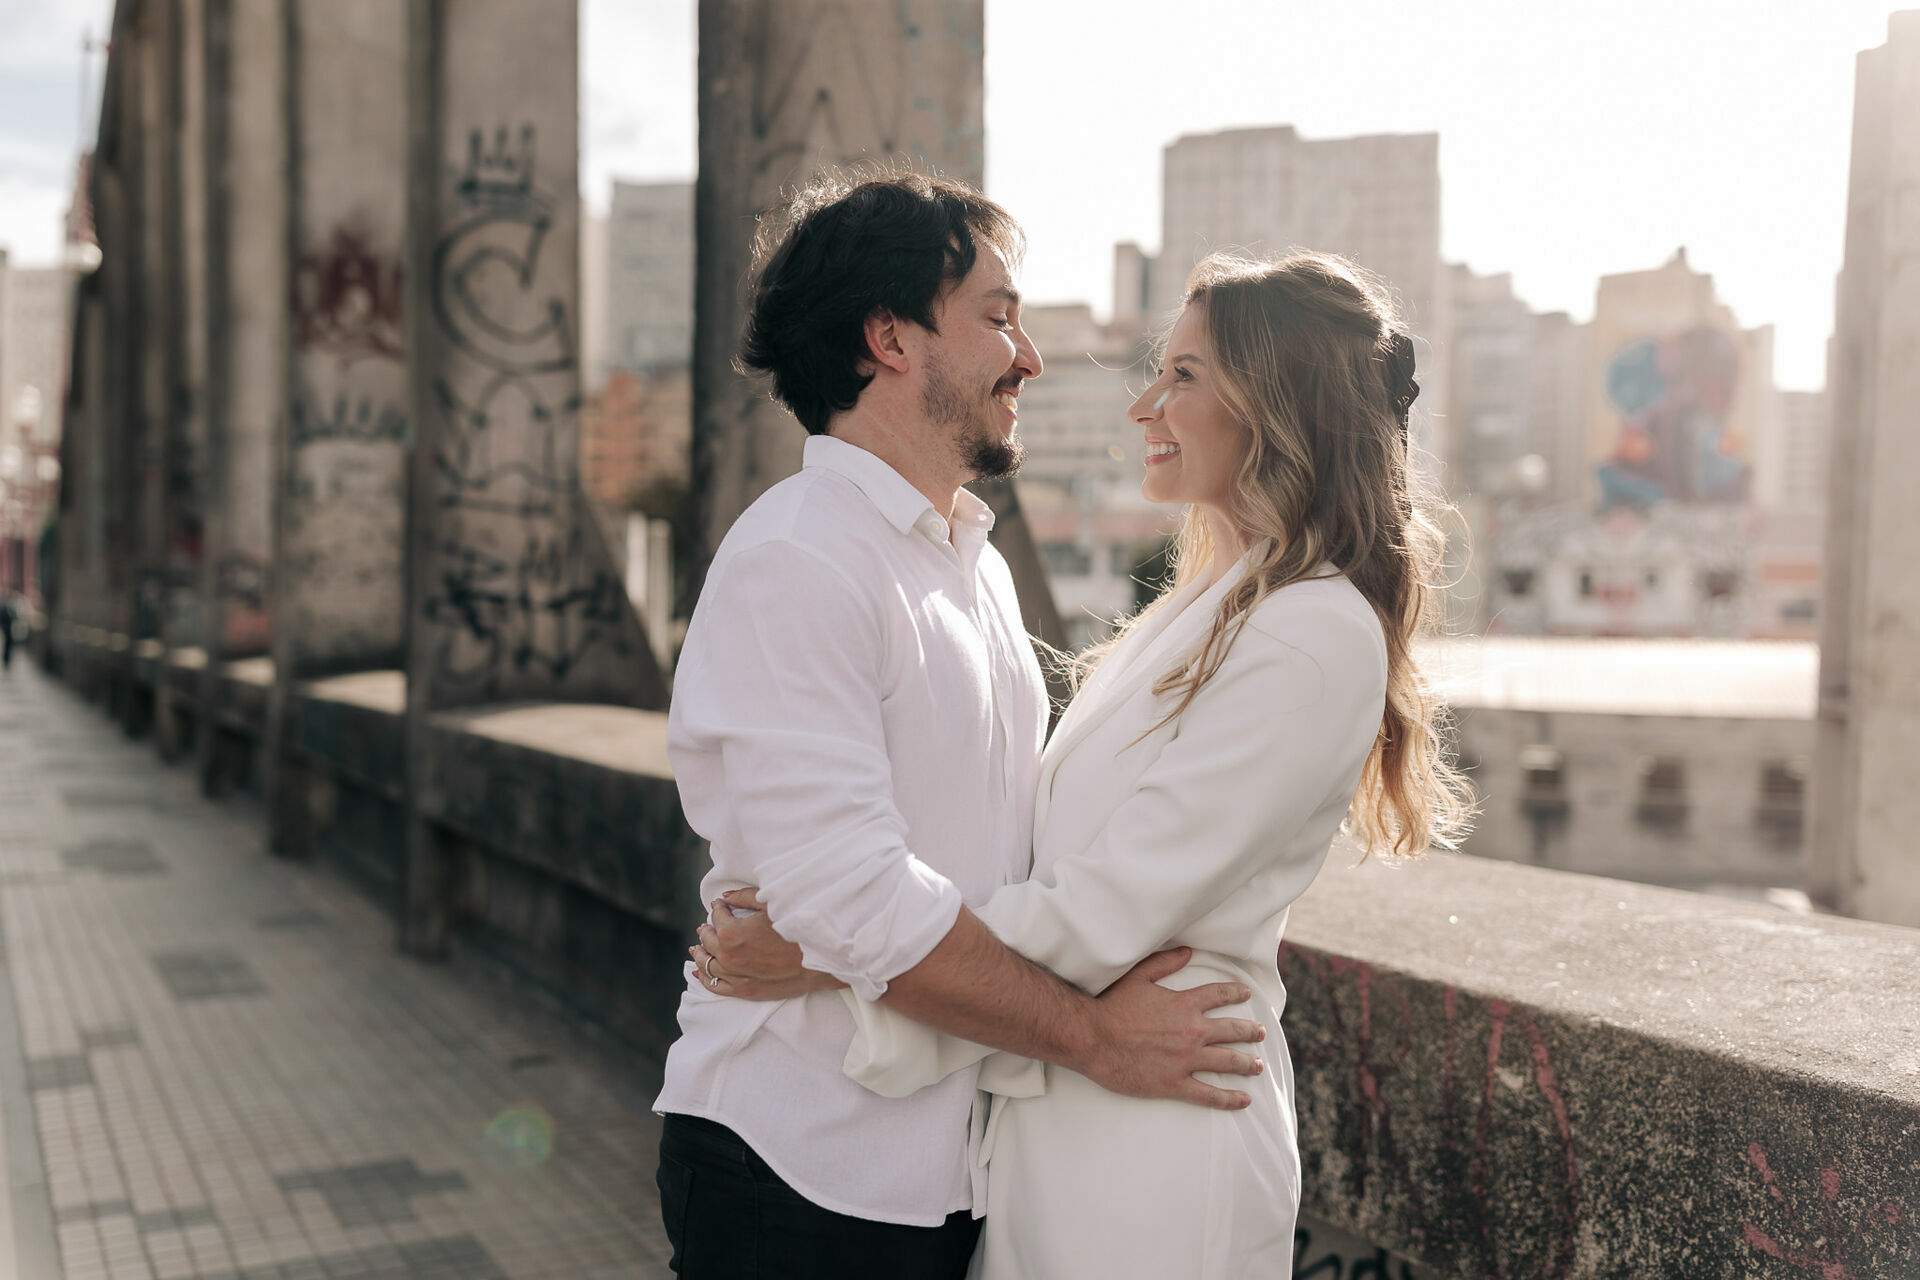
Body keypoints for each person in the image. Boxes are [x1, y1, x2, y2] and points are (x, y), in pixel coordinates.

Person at [696, 250, 1473, 1278]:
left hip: (1158, 1138)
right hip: (1068, 1115)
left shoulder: (1313, 629)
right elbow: (1040, 868)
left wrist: (833, 959)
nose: (1147, 402)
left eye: (1184, 375)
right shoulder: (1215, 607)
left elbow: (1101, 909)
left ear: (1276, 401)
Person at [654, 171, 1267, 1280]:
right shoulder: (797, 559)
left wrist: (823, 951)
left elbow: (980, 858)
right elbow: (858, 895)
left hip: (953, 1167)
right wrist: (1094, 1036)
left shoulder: (961, 559)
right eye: (995, 316)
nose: (1026, 355)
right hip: (800, 1172)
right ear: (889, 338)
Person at [0, 594, 16, 672]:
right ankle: (5, 661)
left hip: (10, 631)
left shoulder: (11, 609)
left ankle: (8, 661)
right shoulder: (3, 609)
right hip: (5, 630)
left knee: (9, 647)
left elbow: (15, 618)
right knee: (5, 647)